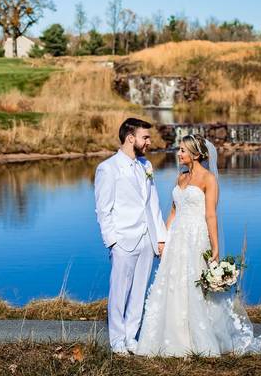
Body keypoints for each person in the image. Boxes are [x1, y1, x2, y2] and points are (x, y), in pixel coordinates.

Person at [135, 134, 261, 357]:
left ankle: (200, 341)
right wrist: (163, 238)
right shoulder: (180, 178)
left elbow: (210, 216)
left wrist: (215, 248)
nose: (179, 154)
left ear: (196, 154)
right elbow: (173, 212)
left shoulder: (209, 179)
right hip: (176, 238)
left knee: (195, 286)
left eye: (183, 151)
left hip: (197, 237)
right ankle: (167, 338)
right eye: (179, 150)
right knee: (171, 285)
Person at [93, 117, 167, 355]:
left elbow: (153, 205)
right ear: (130, 138)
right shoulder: (108, 168)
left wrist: (160, 238)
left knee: (139, 291)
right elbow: (103, 210)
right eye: (145, 137)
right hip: (123, 240)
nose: (149, 142)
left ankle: (131, 336)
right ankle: (117, 340)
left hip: (146, 238)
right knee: (119, 292)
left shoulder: (146, 166)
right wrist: (113, 242)